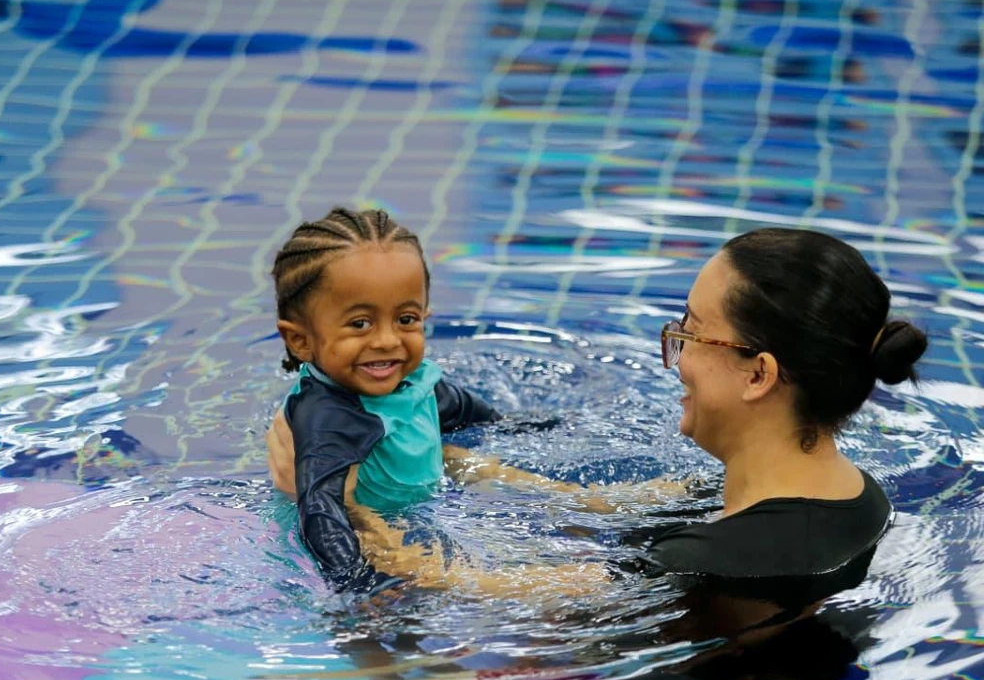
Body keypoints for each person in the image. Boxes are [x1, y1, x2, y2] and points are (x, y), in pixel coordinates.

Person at [267, 227, 928, 623]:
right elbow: (622, 516)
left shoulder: (706, 562)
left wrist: (333, 504)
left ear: (759, 375)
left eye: (692, 333)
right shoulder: (858, 494)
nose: (675, 354)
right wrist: (476, 469)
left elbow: (482, 590)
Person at [268, 207, 654, 596]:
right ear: (301, 340)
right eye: (360, 324)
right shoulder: (329, 415)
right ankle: (506, 587)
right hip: (369, 519)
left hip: (424, 489)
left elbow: (463, 410)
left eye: (405, 319)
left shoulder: (409, 378)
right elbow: (321, 510)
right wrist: (359, 582)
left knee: (472, 462)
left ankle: (589, 502)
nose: (387, 340)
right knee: (425, 568)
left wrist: (534, 427)